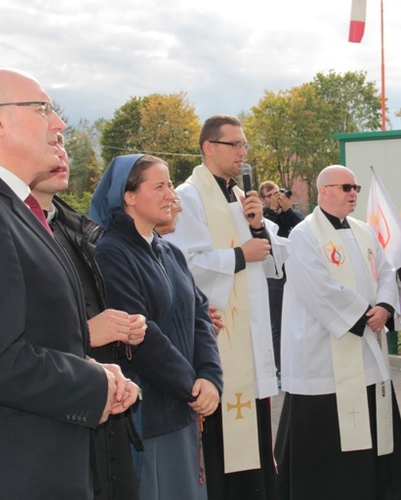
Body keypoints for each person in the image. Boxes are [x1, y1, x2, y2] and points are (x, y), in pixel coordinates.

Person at [0, 68, 139, 498]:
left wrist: (91, 368)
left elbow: (35, 334)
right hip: (3, 477)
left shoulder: (8, 208)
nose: (60, 124)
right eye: (43, 110)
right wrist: (95, 386)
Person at [164, 115, 289, 500]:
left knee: (253, 435)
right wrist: (240, 254)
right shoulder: (189, 195)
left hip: (248, 336)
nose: (242, 152)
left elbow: (270, 259)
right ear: (208, 147)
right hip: (218, 337)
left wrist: (257, 225)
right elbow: (185, 261)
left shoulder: (238, 195)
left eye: (244, 145)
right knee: (222, 442)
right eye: (234, 144)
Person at [275, 165, 401, 499]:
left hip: (365, 349)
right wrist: (364, 316)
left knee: (369, 423)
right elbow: (317, 288)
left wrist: (384, 305)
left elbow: (386, 270)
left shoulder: (364, 231)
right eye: (346, 187)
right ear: (324, 191)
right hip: (323, 353)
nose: (353, 193)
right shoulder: (304, 234)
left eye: (356, 187)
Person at [90, 154, 223, 499]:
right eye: (160, 186)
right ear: (129, 196)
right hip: (150, 413)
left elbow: (200, 315)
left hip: (183, 404)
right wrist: (192, 386)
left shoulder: (170, 253)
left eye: (170, 186)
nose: (171, 195)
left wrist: (210, 376)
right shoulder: (112, 253)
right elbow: (141, 334)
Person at [30, 133, 147, 499]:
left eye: (64, 148)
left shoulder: (73, 228)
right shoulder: (8, 229)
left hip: (101, 397)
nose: (60, 154)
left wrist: (126, 330)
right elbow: (7, 339)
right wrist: (86, 333)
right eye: (48, 146)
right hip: (59, 411)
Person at [259, 180, 304, 381]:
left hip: (293, 275)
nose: (275, 198)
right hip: (272, 276)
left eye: (277, 193)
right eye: (269, 195)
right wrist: (271, 212)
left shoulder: (288, 214)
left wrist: (287, 211)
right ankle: (278, 366)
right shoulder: (260, 217)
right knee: (276, 322)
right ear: (262, 199)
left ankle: (293, 362)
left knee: (294, 320)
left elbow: (301, 231)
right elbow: (266, 237)